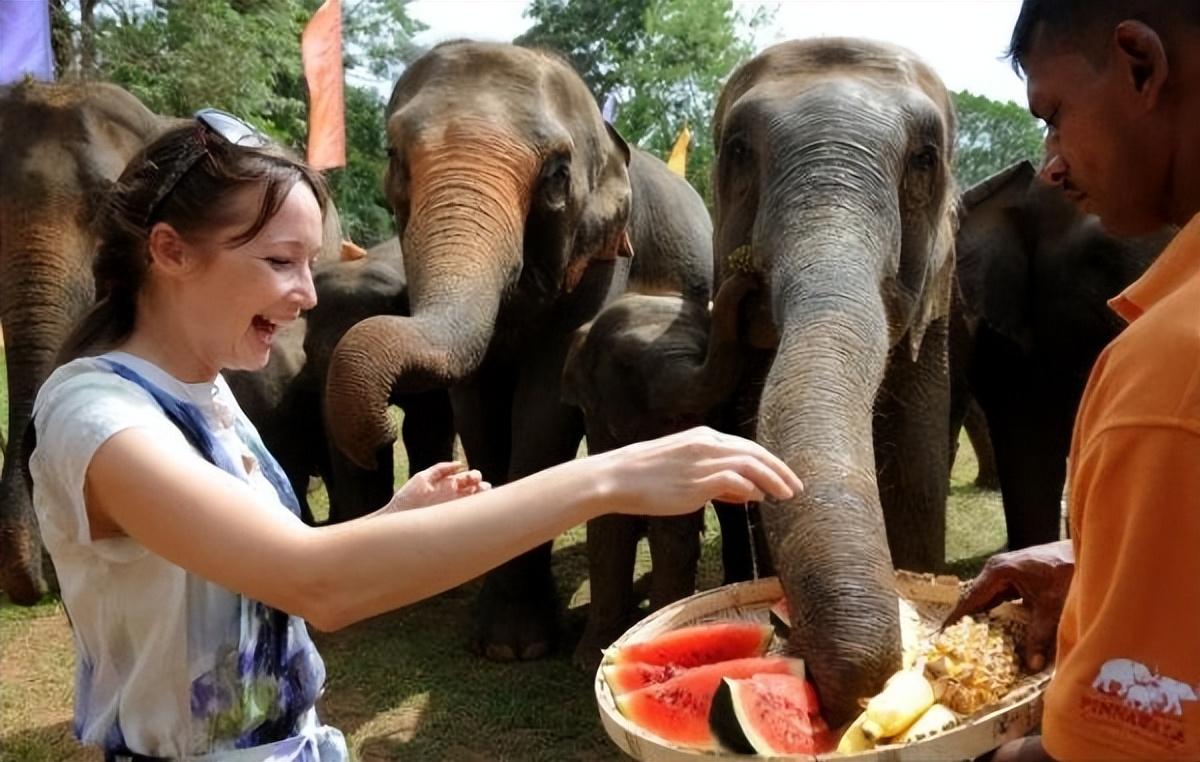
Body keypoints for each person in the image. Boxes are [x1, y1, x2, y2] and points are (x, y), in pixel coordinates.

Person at [30, 109, 803, 761]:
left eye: (310, 261)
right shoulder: (97, 417)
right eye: (278, 262)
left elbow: (255, 568)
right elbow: (313, 583)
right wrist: (609, 477)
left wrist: (386, 524)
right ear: (169, 251)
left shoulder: (204, 391)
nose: (305, 294)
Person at [945, 2, 1200, 760]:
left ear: (1140, 65)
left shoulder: (1170, 368)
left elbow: (1120, 751)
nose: (1050, 162)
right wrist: (1097, 568)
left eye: (1053, 115)